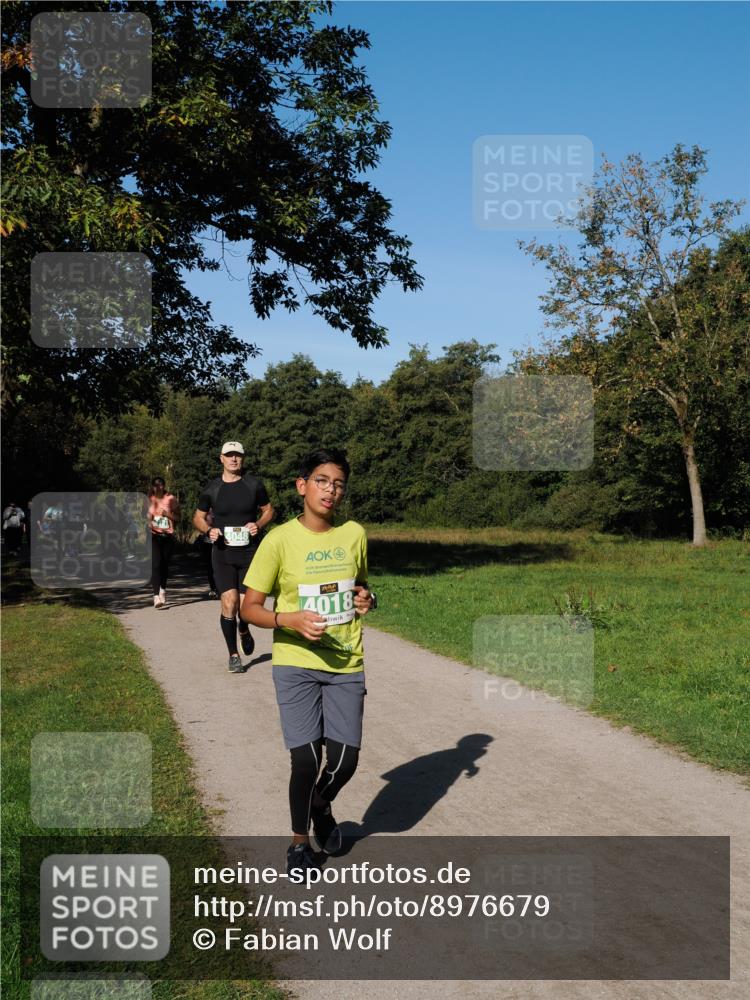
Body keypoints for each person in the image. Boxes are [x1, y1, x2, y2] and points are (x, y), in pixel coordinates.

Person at [240, 448, 376, 876]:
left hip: (344, 663)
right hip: (295, 663)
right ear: (302, 486)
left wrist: (367, 598)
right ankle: (299, 844)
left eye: (337, 483)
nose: (330, 490)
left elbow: (363, 588)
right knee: (304, 760)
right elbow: (250, 608)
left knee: (345, 761)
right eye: (321, 480)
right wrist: (289, 620)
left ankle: (320, 806)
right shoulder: (278, 539)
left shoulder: (354, 534)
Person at [193, 441, 274, 672]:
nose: (234, 459)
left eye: (237, 455)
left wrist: (258, 524)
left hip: (249, 554)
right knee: (229, 603)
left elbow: (269, 510)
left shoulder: (253, 485)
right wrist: (208, 530)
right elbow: (197, 517)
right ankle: (233, 654)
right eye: (229, 455)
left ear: (243, 458)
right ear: (221, 458)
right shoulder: (212, 489)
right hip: (222, 553)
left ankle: (244, 628)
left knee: (246, 606)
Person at [148, 477, 180, 609]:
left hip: (167, 536)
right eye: (155, 485)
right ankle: (156, 596)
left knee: (164, 565)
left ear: (164, 486)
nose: (158, 487)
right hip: (154, 535)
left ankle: (162, 590)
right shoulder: (150, 500)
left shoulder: (170, 498)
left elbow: (179, 517)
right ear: (152, 487)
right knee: (155, 564)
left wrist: (167, 514)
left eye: (160, 485)